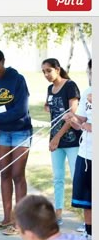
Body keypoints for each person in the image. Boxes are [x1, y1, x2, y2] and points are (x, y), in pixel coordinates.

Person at [0, 47, 32, 236]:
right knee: (4, 174)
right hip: (3, 133)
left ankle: (20, 223)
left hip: (21, 131)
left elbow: (21, 109)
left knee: (18, 174)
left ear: (3, 61)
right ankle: (7, 218)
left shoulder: (17, 79)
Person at [41, 58, 81, 226]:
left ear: (57, 69)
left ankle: (85, 218)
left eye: (48, 71)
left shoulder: (70, 86)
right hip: (55, 141)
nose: (46, 75)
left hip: (71, 141)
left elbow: (72, 115)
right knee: (57, 178)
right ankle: (58, 215)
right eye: (43, 72)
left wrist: (57, 138)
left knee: (77, 178)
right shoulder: (50, 88)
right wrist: (48, 106)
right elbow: (53, 109)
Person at [63, 59, 92, 240]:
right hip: (86, 154)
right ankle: (89, 233)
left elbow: (89, 124)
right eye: (91, 72)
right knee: (86, 199)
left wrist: (88, 125)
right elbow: (81, 120)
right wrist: (72, 118)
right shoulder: (89, 92)